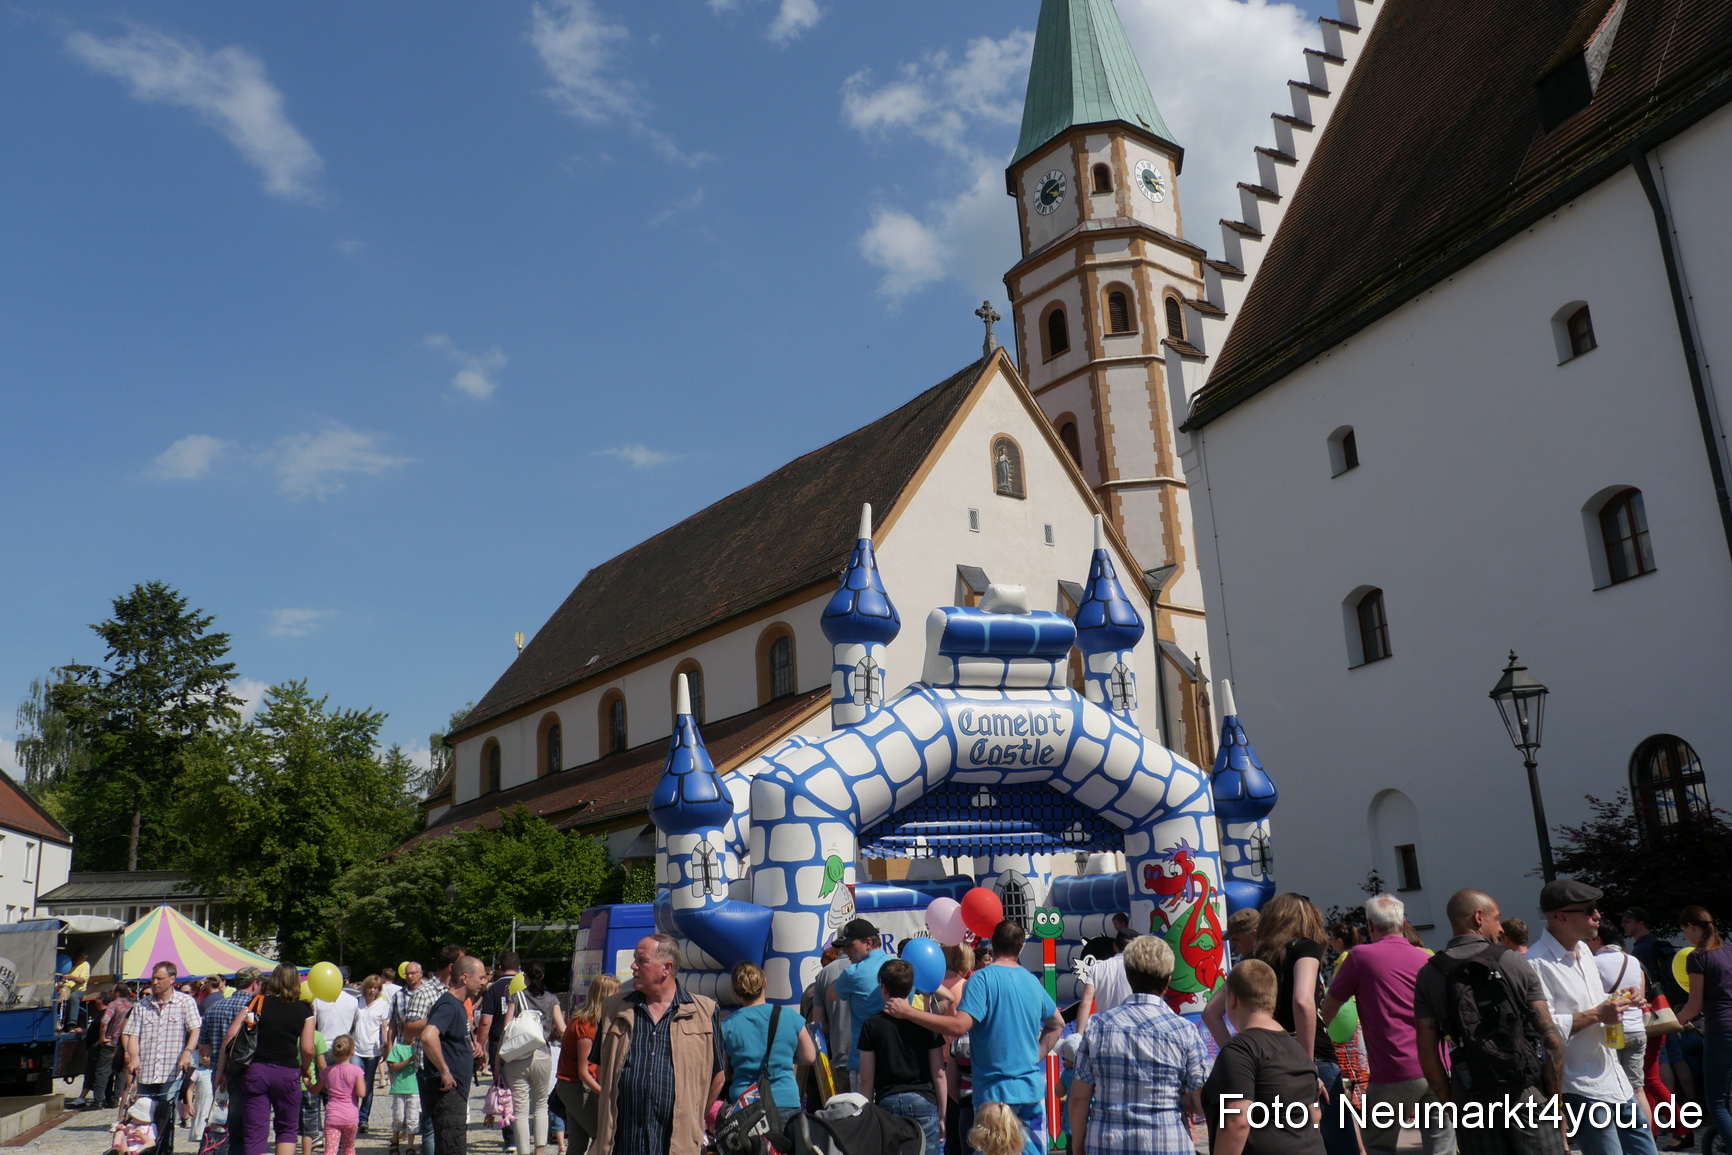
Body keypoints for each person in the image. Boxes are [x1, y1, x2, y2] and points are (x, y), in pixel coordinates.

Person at [887, 920, 1062, 1155]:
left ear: (992, 944)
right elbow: (1057, 1025)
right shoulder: (1031, 980)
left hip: (994, 1095)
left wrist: (909, 1012)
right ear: (1020, 947)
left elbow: (959, 1026)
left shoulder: (982, 979)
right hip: (1029, 1090)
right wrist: (1034, 1057)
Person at [1413, 890, 1562, 1155]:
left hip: (1471, 1099)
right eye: (1497, 918)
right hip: (1526, 1095)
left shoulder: (1429, 974)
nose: (1501, 926)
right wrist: (1555, 1103)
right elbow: (1550, 1037)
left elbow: (1427, 1054)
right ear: (1479, 918)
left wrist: (1452, 1106)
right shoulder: (1513, 961)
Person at [1528, 878, 1655, 1155]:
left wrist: (1621, 998)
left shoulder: (1585, 950)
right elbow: (1544, 1029)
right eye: (1589, 910)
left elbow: (1594, 1004)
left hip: (1615, 1078)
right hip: (1581, 1087)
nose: (1598, 916)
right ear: (1561, 917)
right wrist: (1599, 1013)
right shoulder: (1535, 963)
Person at [1322, 893, 1452, 1155]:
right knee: (1442, 1147)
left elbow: (1331, 1006)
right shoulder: (1427, 957)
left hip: (1393, 1068)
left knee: (1378, 1145)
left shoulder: (1360, 957)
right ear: (1403, 924)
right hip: (1438, 1065)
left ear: (1370, 926)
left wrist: (1320, 1041)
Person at [1069, 934, 1207, 1155]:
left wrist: (1078, 1147)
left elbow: (1079, 1097)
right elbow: (1203, 1102)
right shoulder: (1185, 1031)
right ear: (1168, 981)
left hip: (1107, 1143)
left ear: (1129, 975)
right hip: (1168, 1144)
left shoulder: (1097, 1027)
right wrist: (1188, 1098)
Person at [592, 934, 724, 1155]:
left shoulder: (704, 1011)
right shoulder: (613, 1009)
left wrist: (693, 1120)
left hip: (675, 1144)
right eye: (635, 959)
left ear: (667, 968)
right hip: (622, 1142)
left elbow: (717, 1077)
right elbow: (602, 1069)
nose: (633, 966)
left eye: (641, 960)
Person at [1253, 892, 1354, 1155]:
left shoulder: (1257, 957)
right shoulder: (1305, 947)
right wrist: (1306, 1067)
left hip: (1269, 1060)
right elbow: (1303, 1001)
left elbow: (1213, 1012)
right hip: (1312, 1056)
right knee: (1339, 1144)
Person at [1203, 958, 1325, 1155]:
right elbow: (1314, 1115)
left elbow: (1237, 1120)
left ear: (1232, 999)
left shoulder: (1240, 1050)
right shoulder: (1297, 1050)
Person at [219, 963, 314, 1155]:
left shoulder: (256, 1003)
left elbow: (230, 1035)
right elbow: (308, 1047)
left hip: (256, 1071)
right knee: (287, 1129)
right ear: (296, 982)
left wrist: (222, 1070)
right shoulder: (304, 1009)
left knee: (255, 1132)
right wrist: (306, 1067)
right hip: (287, 1073)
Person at [856, 959, 943, 1155]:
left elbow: (867, 1078)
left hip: (888, 1100)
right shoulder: (927, 1023)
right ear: (911, 987)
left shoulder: (871, 1025)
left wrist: (867, 1112)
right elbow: (939, 1073)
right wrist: (943, 1114)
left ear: (884, 989)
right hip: (923, 1099)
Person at [123, 960, 203, 1155]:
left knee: (165, 1117)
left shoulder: (185, 1002)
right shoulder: (142, 1006)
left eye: (160, 978)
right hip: (146, 1072)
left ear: (172, 979)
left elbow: (195, 1029)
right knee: (142, 1116)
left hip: (171, 1071)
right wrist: (133, 1056)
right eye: (153, 978)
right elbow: (133, 1035)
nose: (155, 982)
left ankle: (163, 1150)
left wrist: (187, 1052)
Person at [721, 961, 814, 1119]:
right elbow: (809, 1057)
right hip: (786, 1100)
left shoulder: (727, 1025)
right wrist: (784, 1057)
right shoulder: (790, 1016)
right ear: (764, 982)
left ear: (736, 992)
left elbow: (724, 1072)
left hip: (745, 1104)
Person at [1678, 903, 1732, 1152]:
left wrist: (1677, 1020)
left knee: (1717, 1103)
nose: (1685, 936)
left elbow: (1694, 1004)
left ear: (1691, 927)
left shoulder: (1697, 957)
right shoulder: (1729, 950)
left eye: (1684, 931)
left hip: (1721, 1030)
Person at [499, 961, 567, 1155]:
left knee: (520, 1110)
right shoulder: (552, 999)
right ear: (543, 976)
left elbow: (506, 1029)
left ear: (524, 977)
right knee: (540, 1105)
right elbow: (562, 1029)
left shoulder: (515, 997)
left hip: (518, 1057)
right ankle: (540, 1150)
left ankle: (523, 1151)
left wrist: (497, 1061)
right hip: (542, 1054)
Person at [421, 955, 486, 1155]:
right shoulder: (448, 1005)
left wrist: (475, 1051)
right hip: (448, 1094)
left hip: (456, 1093)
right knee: (452, 1148)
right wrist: (444, 1070)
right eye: (481, 978)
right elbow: (428, 1036)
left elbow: (453, 1040)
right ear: (465, 978)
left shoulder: (458, 1005)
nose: (484, 982)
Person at [403, 947, 464, 1155]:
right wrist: (438, 1021)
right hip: (429, 1067)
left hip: (453, 1065)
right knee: (430, 1124)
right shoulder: (425, 992)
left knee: (448, 1124)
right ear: (452, 966)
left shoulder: (457, 992)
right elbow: (408, 1029)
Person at [196, 967, 263, 1155]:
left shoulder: (214, 1008)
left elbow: (204, 1047)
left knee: (220, 1120)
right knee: (245, 1121)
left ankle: (217, 1149)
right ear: (255, 984)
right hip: (246, 1071)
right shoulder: (255, 1008)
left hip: (219, 1074)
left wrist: (218, 1069)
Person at [1588, 928, 1652, 1124]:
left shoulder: (1593, 963)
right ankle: (1648, 1139)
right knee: (1637, 1088)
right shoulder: (1633, 961)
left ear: (1598, 938)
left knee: (1610, 1089)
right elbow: (1640, 997)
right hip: (1637, 1028)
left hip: (1612, 1031)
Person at [556, 975, 618, 1155]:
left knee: (577, 1143)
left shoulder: (581, 1020)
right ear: (605, 996)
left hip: (570, 1086)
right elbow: (584, 1072)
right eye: (616, 994)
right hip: (577, 1087)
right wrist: (606, 1093)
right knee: (604, 1137)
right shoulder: (587, 1026)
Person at [830, 918, 892, 1086]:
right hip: (895, 1060)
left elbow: (831, 994)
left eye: (849, 945)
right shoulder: (901, 968)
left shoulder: (853, 973)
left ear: (868, 943)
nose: (844, 950)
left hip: (862, 1063)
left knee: (863, 1111)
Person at [804, 946, 852, 1094]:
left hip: (831, 1056)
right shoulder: (865, 970)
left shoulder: (812, 988)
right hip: (849, 1054)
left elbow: (815, 1023)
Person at [1073, 929, 1135, 1038]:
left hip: (1104, 1032)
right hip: (1130, 1031)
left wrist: (1078, 1035)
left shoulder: (1097, 968)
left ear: (1114, 946)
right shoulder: (1138, 969)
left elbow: (1085, 1003)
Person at [352, 975, 392, 1135]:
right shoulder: (357, 1002)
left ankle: (363, 1119)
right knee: (354, 1083)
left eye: (376, 988)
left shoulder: (382, 1005)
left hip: (372, 1050)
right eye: (370, 987)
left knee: (367, 1086)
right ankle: (352, 1116)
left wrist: (385, 1045)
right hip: (356, 1048)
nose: (372, 991)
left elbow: (384, 1027)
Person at [318, 1035, 365, 1155]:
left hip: (333, 1115)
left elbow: (315, 1090)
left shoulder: (327, 1071)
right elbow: (361, 1093)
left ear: (333, 1052)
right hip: (350, 1116)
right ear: (352, 1052)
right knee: (349, 1149)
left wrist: (307, 1082)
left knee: (330, 1150)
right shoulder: (356, 1071)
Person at [386, 1029, 419, 1155]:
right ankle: (395, 1140)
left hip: (414, 1088)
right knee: (398, 1117)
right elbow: (393, 1066)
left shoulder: (419, 1048)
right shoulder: (398, 1048)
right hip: (400, 1087)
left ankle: (410, 1146)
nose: (412, 1036)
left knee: (413, 1118)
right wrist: (410, 1060)